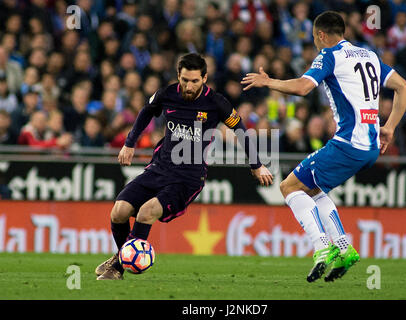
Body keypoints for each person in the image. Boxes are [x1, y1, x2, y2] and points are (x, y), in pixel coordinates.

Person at [241, 11, 406, 282]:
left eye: (314, 37)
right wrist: (388, 127)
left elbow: (302, 88)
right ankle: (344, 248)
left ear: (321, 35)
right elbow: (404, 87)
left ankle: (322, 248)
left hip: (347, 143)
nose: (315, 42)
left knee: (289, 187)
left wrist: (268, 81)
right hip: (368, 147)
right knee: (314, 189)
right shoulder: (369, 55)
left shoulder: (330, 55)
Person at [96, 53, 273, 280]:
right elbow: (145, 113)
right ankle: (122, 256)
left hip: (188, 178)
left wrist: (256, 165)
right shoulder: (167, 94)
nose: (189, 86)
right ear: (178, 76)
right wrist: (129, 144)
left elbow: (241, 130)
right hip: (159, 168)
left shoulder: (216, 102)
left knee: (146, 212)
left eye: (195, 81)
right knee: (119, 210)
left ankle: (118, 268)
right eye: (185, 80)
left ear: (205, 78)